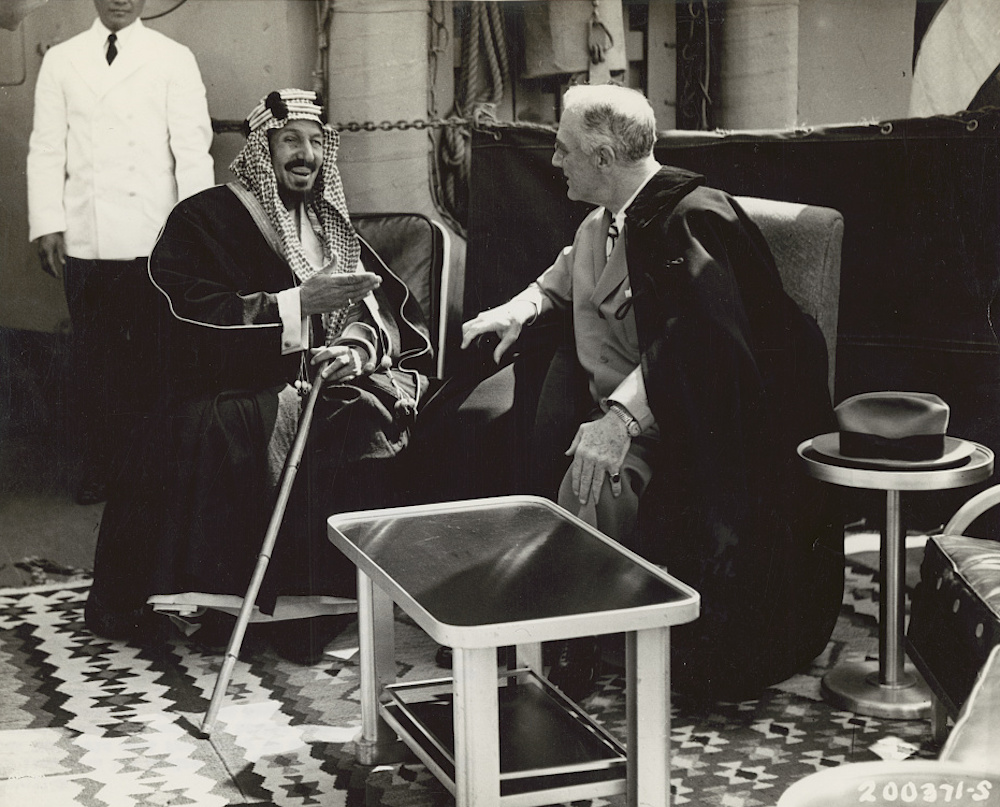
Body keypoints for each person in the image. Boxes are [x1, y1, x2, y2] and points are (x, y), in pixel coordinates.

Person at [460, 84, 844, 700]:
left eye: (563, 150)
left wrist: (619, 419)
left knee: (590, 483)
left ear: (604, 158)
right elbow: (559, 279)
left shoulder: (696, 217)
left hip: (701, 427)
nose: (555, 162)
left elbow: (704, 341)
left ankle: (578, 648)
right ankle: (571, 625)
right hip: (638, 412)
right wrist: (517, 309)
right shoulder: (602, 223)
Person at [84, 89, 435, 664]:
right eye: (290, 141)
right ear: (260, 151)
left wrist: (354, 347)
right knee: (242, 422)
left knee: (371, 412)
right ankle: (227, 606)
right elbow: (183, 319)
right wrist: (295, 303)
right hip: (226, 383)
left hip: (323, 384)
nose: (306, 154)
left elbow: (375, 311)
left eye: (315, 142)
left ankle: (321, 606)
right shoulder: (205, 218)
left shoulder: (329, 223)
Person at [27, 0, 214, 505]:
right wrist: (48, 223)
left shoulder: (173, 58)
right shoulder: (62, 59)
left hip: (155, 239)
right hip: (88, 237)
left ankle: (155, 474)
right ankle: (100, 469)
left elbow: (193, 151)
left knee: (157, 359)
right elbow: (46, 147)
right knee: (93, 361)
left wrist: (193, 233)